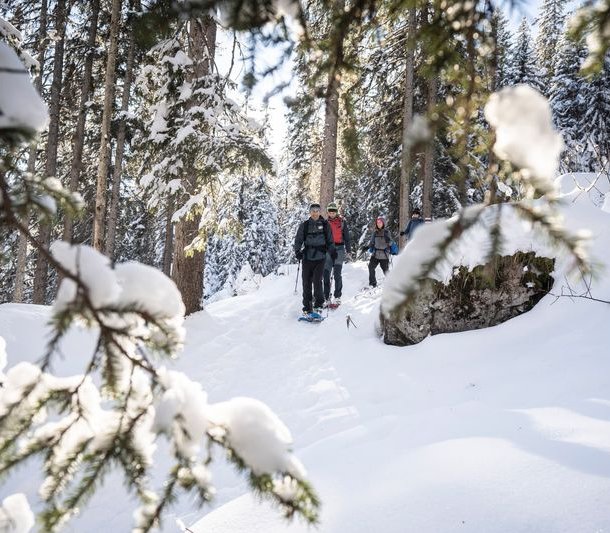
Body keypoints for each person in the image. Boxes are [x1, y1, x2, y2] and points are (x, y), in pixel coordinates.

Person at [294, 203, 336, 315]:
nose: (315, 213)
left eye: (317, 210)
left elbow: (330, 240)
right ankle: (307, 306)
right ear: (310, 212)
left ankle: (318, 304)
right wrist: (297, 251)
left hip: (320, 257)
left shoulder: (325, 224)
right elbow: (298, 239)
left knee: (317, 281)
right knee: (306, 282)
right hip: (307, 257)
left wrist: (333, 252)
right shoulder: (305, 225)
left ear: (320, 212)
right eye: (313, 210)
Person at [323, 202, 351, 307]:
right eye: (330, 211)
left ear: (336, 212)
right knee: (326, 274)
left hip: (339, 249)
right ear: (328, 212)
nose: (332, 213)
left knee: (337, 274)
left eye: (333, 211)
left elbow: (347, 238)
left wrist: (348, 250)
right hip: (328, 250)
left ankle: (337, 296)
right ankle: (326, 297)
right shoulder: (325, 223)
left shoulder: (342, 222)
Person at [367, 216, 393, 288]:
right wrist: (367, 247)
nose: (378, 224)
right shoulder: (375, 232)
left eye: (380, 223)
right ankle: (373, 283)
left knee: (385, 270)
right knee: (371, 267)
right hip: (375, 254)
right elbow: (372, 242)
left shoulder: (387, 232)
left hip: (384, 255)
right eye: (377, 223)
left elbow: (391, 242)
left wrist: (388, 241)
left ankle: (392, 282)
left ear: (383, 223)